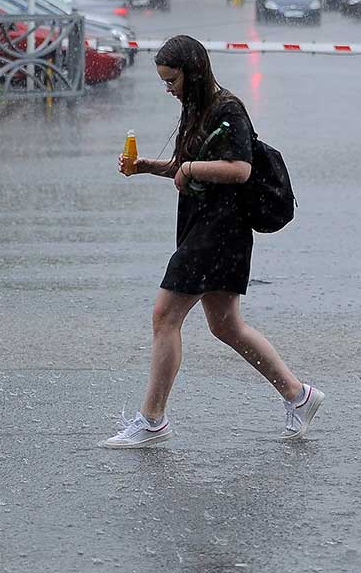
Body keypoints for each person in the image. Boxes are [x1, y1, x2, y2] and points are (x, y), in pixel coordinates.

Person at [103, 35, 323, 448]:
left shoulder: (228, 109)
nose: (168, 88)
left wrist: (187, 167)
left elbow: (239, 169)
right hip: (204, 226)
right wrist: (152, 167)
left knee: (164, 316)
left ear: (194, 72)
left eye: (172, 80)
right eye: (164, 81)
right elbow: (198, 165)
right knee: (226, 325)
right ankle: (299, 395)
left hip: (219, 231)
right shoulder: (197, 108)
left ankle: (152, 420)